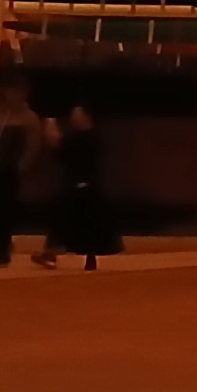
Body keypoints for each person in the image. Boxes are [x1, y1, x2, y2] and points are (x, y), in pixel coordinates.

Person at [47, 99, 120, 270]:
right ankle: (58, 253)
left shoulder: (88, 139)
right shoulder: (87, 137)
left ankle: (54, 253)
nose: (74, 118)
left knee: (70, 220)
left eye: (77, 114)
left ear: (87, 117)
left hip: (84, 186)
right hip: (83, 186)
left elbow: (62, 151)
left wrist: (52, 130)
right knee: (77, 223)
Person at [0, 90, 45, 269]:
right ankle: (2, 245)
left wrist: (22, 165)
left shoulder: (28, 118)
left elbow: (33, 144)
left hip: (9, 172)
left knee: (4, 212)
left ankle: (0, 252)